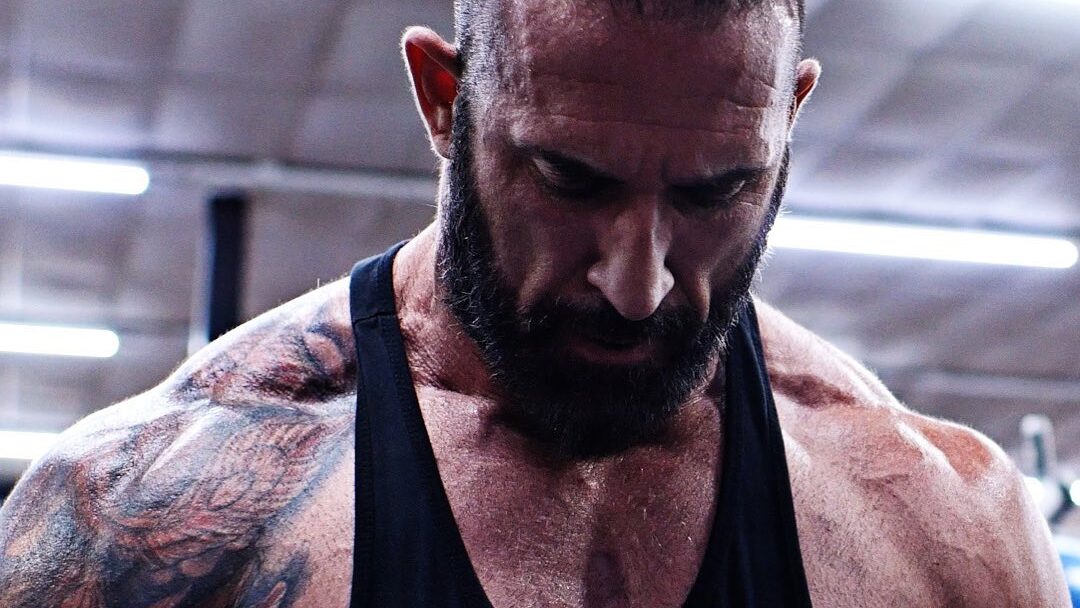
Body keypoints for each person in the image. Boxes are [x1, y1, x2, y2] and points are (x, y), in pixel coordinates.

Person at [0, 0, 1069, 605]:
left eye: (717, 190)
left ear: (789, 121)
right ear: (443, 98)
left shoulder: (943, 526)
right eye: (572, 178)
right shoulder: (145, 510)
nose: (637, 282)